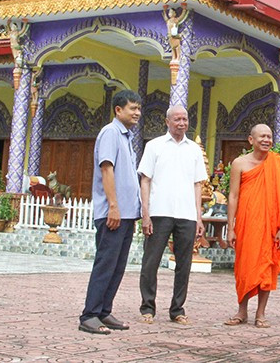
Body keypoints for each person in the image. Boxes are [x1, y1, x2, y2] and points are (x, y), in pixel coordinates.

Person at [78, 90, 142, 335]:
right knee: (106, 264)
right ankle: (90, 315)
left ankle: (104, 311)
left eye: (138, 109)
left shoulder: (126, 137)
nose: (136, 113)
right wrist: (113, 206)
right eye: (132, 108)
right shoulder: (110, 133)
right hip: (113, 213)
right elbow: (107, 170)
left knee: (117, 266)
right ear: (118, 110)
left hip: (126, 214)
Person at [224, 124, 280, 328]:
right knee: (244, 266)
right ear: (251, 140)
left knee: (267, 266)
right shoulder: (239, 163)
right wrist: (230, 227)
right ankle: (242, 311)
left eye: (269, 136)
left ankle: (261, 313)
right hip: (247, 224)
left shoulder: (279, 165)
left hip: (270, 225)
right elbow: (233, 196)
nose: (266, 140)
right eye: (262, 136)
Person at [137, 105, 207, 326]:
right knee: (151, 262)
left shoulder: (194, 150)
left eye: (185, 119)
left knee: (184, 264)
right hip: (159, 211)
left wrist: (199, 217)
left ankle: (177, 309)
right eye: (177, 119)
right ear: (167, 122)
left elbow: (198, 185)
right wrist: (145, 213)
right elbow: (145, 180)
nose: (182, 123)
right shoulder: (154, 146)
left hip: (186, 214)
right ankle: (147, 307)